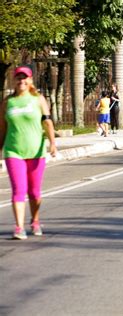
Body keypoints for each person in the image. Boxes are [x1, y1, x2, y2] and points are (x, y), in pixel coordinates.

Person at [0, 65, 57, 240]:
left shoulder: (38, 99)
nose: (21, 81)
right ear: (14, 80)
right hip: (13, 151)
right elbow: (2, 128)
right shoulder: (7, 102)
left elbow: (47, 123)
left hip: (36, 151)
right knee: (19, 189)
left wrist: (52, 143)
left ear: (30, 80)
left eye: (25, 78)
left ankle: (35, 220)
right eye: (18, 78)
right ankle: (19, 227)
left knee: (34, 192)